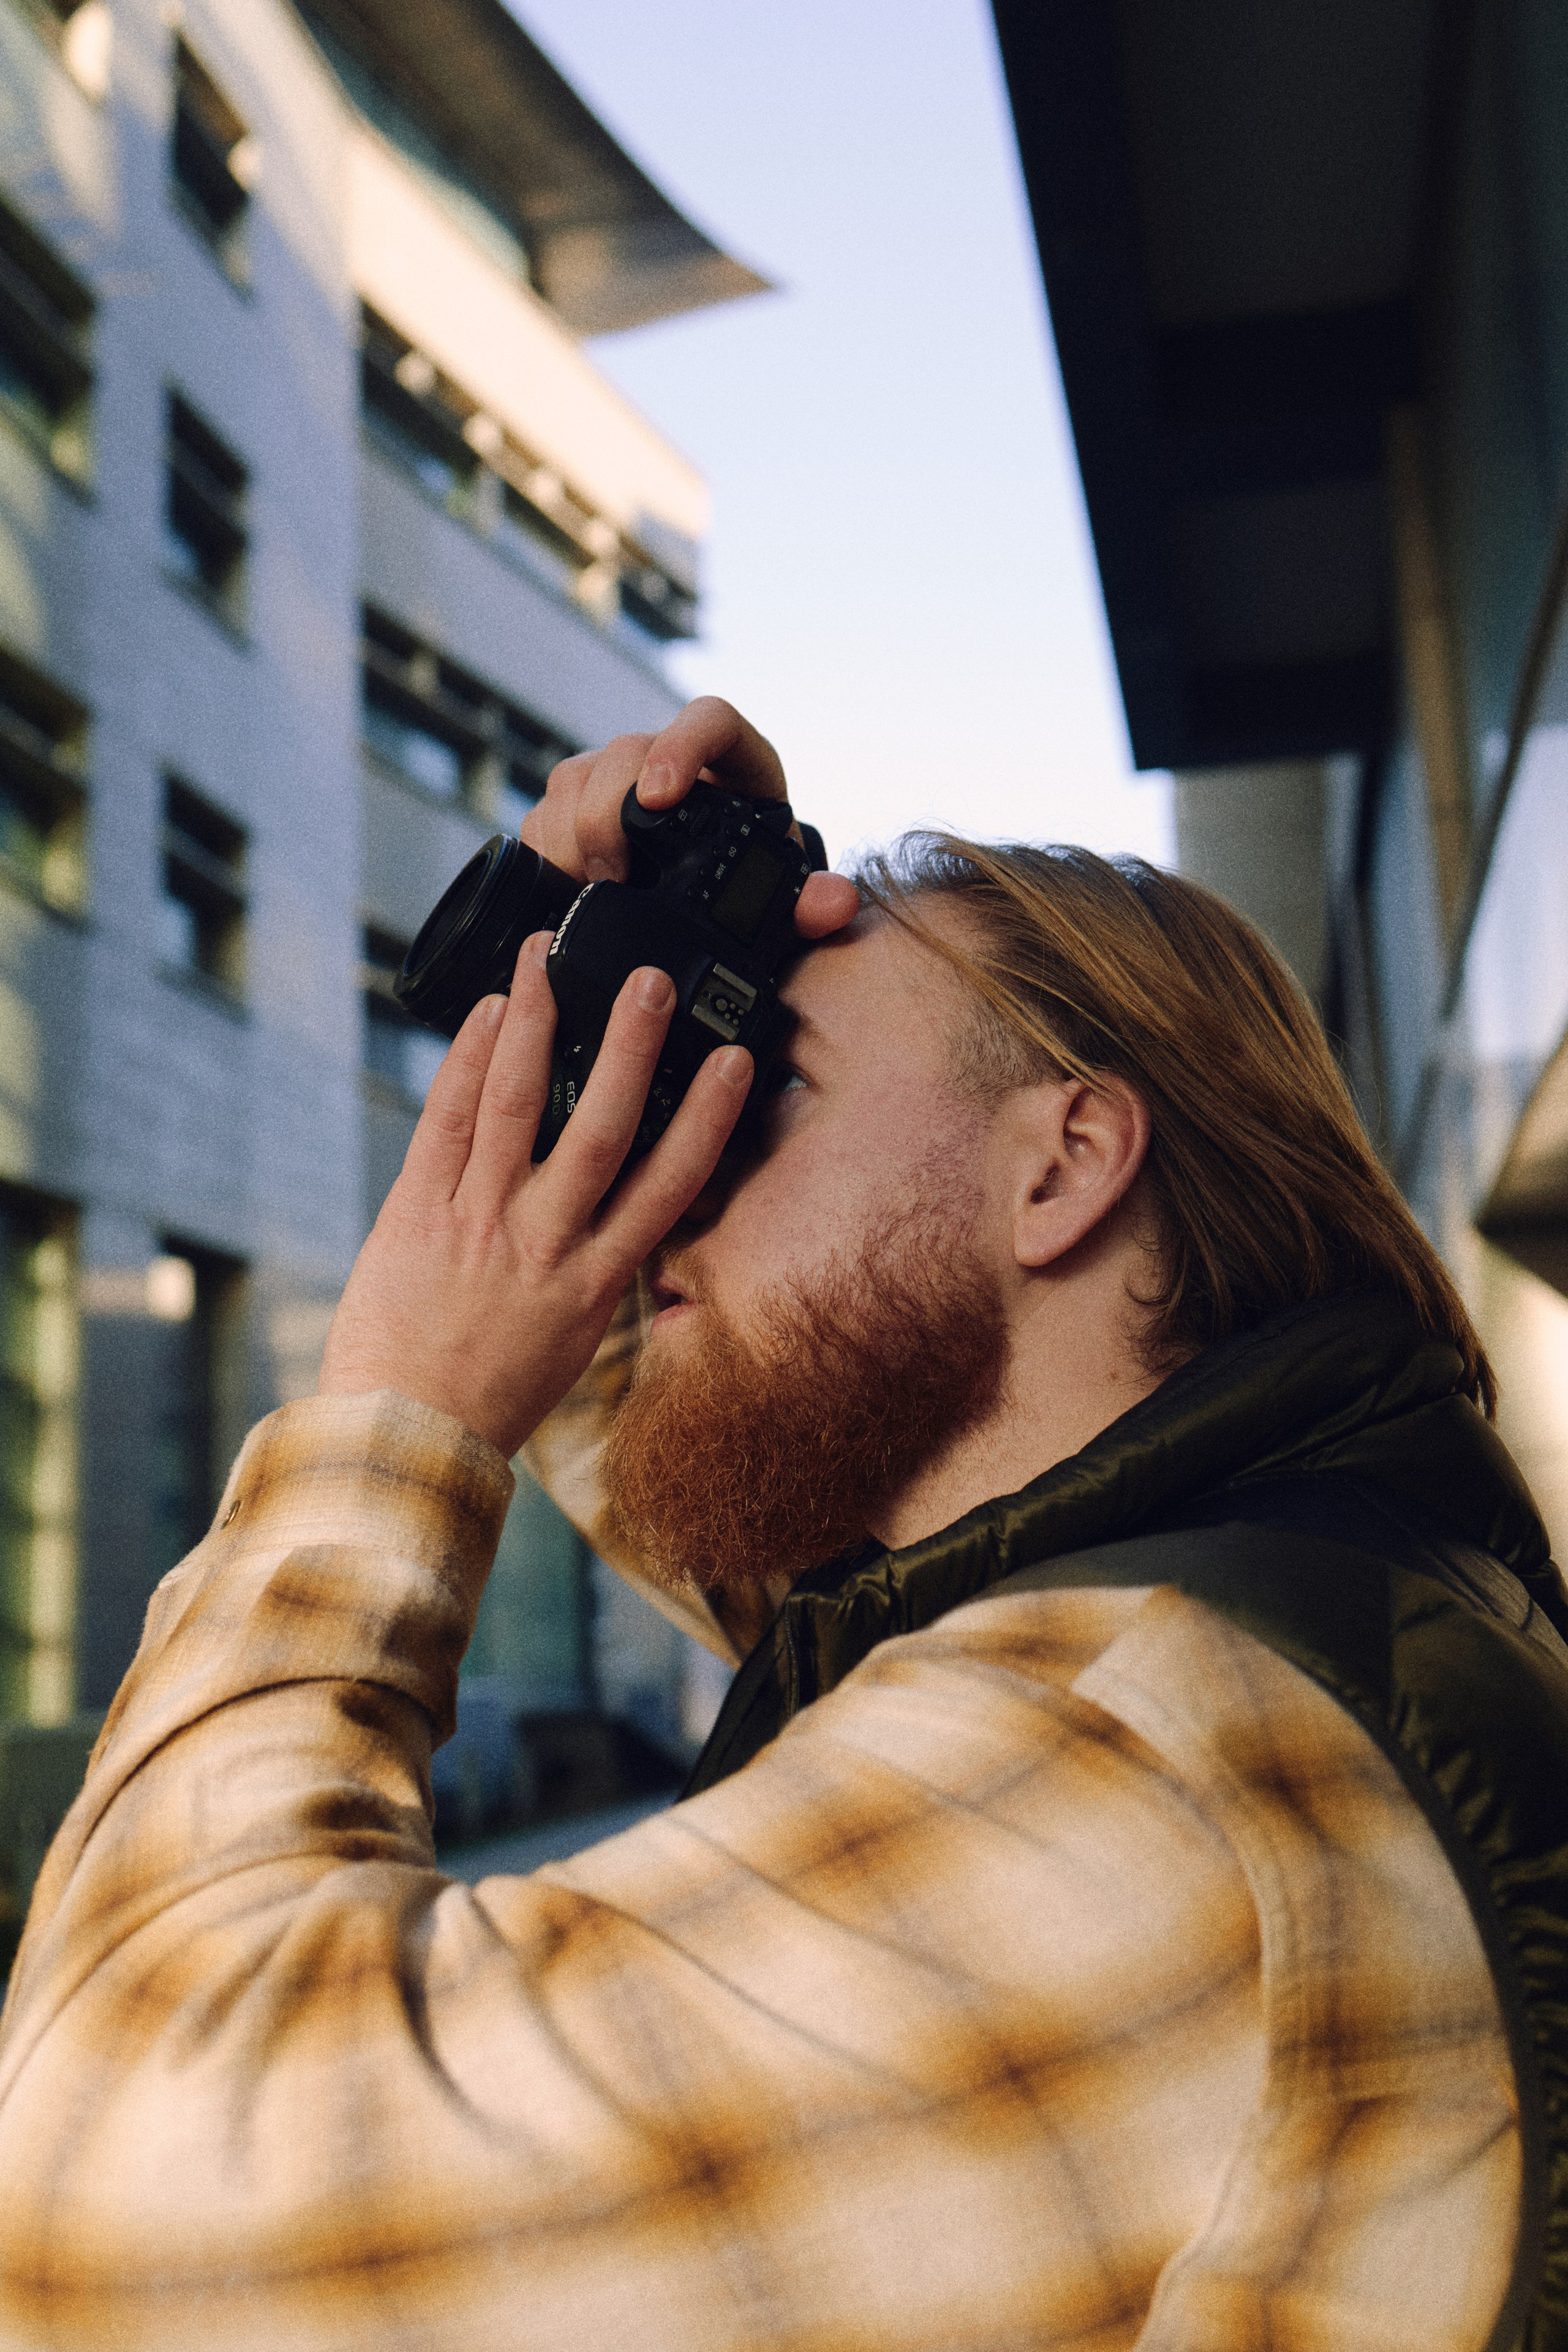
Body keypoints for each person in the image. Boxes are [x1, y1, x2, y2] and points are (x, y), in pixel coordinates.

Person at [0, 696, 1563, 2352]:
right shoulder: (1258, 1589)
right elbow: (674, 1411)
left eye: (771, 1095)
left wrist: (395, 1414)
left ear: (1065, 1166)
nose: (694, 1169)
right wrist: (574, 969)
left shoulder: (1139, 1744)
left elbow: (94, 2198)